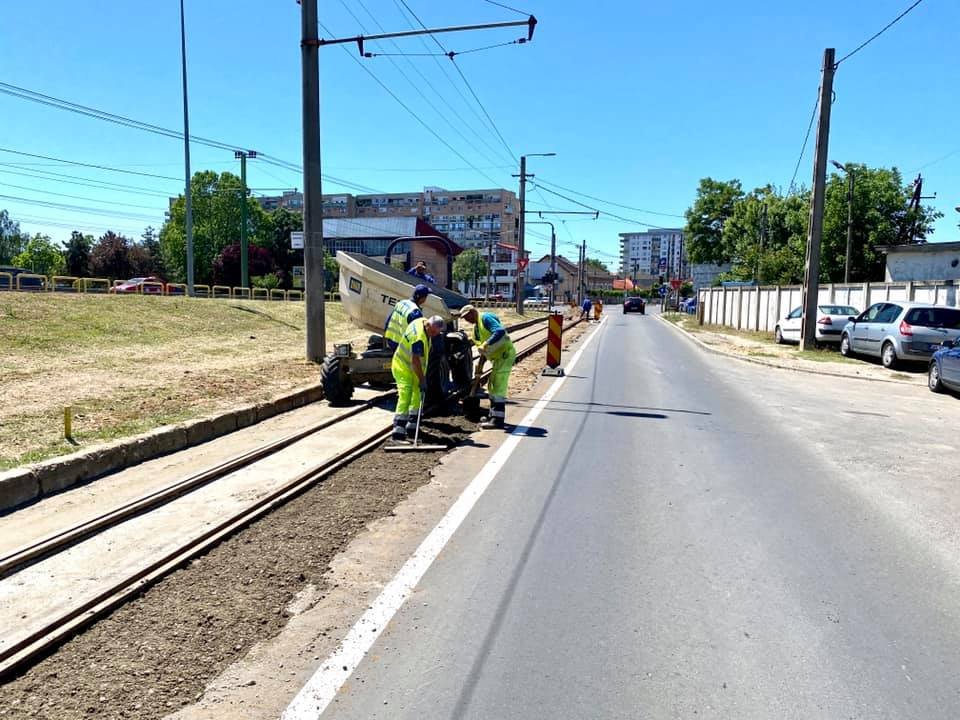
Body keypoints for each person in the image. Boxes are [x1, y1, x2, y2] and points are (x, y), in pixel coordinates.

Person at [459, 304, 515, 430]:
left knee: (498, 386)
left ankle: (498, 420)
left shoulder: (485, 318)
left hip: (505, 355)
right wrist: (480, 367)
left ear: (472, 312)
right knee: (492, 386)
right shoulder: (476, 330)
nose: (466, 320)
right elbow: (484, 352)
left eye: (467, 317)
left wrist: (486, 343)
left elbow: (499, 331)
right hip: (497, 358)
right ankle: (493, 416)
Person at [391, 315, 445, 442]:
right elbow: (415, 360)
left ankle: (412, 428)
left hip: (414, 369)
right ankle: (398, 432)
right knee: (406, 394)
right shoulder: (418, 337)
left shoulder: (422, 321)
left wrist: (421, 378)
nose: (433, 335)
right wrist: (422, 380)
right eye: (432, 332)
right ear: (427, 325)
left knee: (417, 395)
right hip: (403, 367)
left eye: (436, 334)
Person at [383, 284, 430, 350]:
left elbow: (388, 322)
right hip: (402, 345)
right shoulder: (415, 312)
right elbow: (417, 336)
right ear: (422, 298)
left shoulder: (401, 303)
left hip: (391, 340)